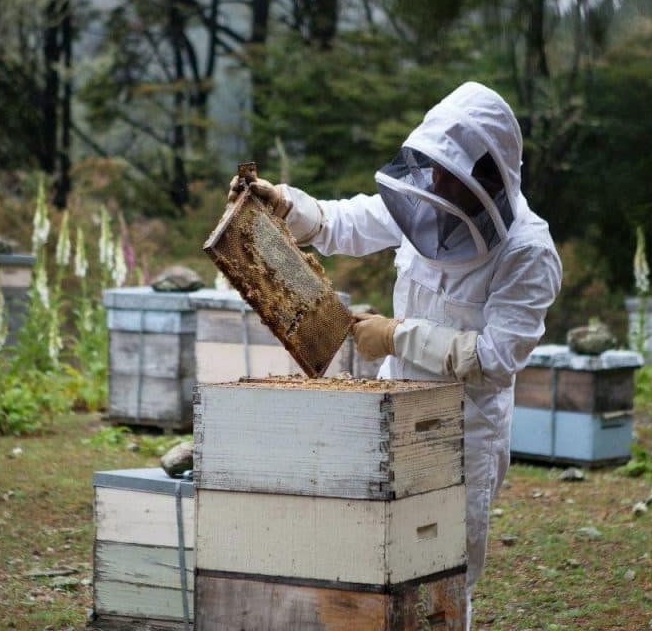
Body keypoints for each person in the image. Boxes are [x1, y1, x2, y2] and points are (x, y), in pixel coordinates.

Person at [228, 81, 562, 628]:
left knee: (442, 576)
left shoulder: (528, 252)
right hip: (392, 411)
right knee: (374, 561)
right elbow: (344, 222)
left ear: (488, 177)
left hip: (463, 431)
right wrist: (285, 203)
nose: (436, 183)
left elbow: (496, 360)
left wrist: (396, 335)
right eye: (434, 168)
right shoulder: (426, 200)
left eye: (451, 174)